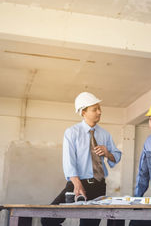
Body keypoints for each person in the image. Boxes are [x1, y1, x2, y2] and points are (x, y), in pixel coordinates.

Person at [41, 92, 122, 226]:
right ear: (83, 112)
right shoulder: (72, 132)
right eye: (95, 109)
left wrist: (107, 153)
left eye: (99, 109)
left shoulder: (105, 134)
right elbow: (69, 161)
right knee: (48, 220)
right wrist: (77, 185)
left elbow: (116, 157)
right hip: (77, 183)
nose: (99, 112)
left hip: (99, 185)